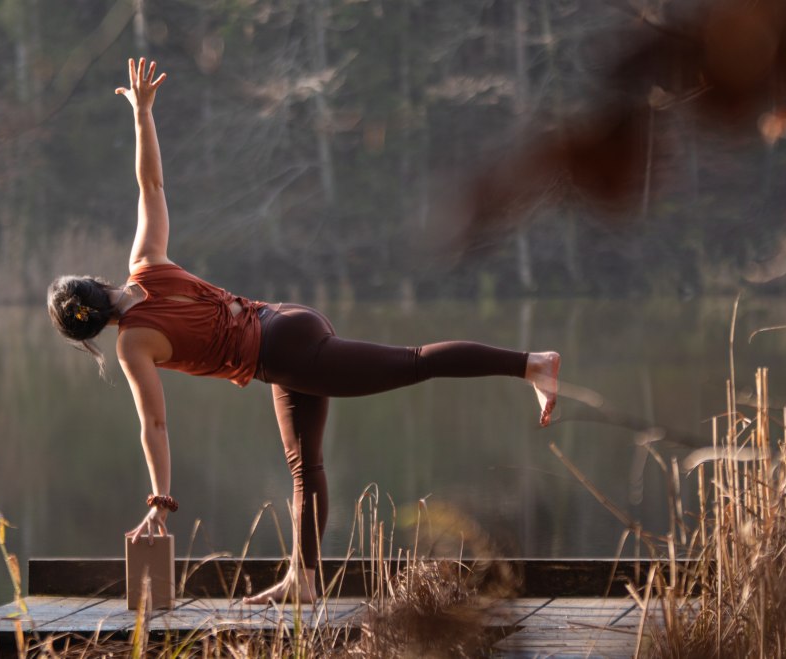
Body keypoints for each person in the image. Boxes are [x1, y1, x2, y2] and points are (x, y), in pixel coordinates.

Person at [47, 58, 560, 605]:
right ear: (99, 287)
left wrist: (160, 499)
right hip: (283, 326)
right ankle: (304, 580)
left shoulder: (132, 343)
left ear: (90, 332)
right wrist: (143, 114)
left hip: (284, 351)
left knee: (413, 362)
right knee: (304, 465)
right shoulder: (145, 263)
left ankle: (532, 364)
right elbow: (150, 183)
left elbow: (154, 423)